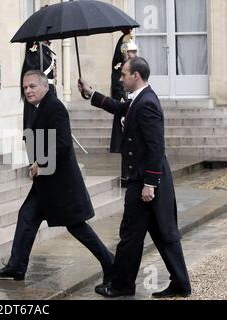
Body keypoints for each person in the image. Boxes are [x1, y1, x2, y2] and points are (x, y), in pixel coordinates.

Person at [78, 57, 191, 298]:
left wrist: (150, 183)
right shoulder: (139, 99)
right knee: (151, 234)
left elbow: (155, 146)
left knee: (138, 235)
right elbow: (120, 108)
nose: (121, 79)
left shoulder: (147, 102)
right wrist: (92, 94)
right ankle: (177, 284)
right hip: (144, 180)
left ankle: (123, 285)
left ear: (136, 76)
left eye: (124, 75)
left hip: (146, 182)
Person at [0, 70, 114, 282]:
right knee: (27, 217)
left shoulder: (54, 107)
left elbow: (63, 145)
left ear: (45, 86)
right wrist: (34, 164)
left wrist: (41, 162)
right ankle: (16, 266)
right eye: (25, 87)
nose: (27, 90)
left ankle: (111, 264)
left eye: (32, 86)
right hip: (46, 182)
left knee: (77, 227)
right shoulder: (37, 107)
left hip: (61, 184)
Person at [110, 29, 138, 154]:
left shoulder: (133, 65)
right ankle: (118, 146)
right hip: (122, 95)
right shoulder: (120, 65)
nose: (134, 54)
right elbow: (117, 82)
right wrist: (122, 96)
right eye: (131, 52)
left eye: (134, 51)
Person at [21, 40, 57, 132]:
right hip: (38, 105)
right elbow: (29, 79)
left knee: (50, 139)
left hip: (49, 99)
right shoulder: (35, 51)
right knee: (39, 141)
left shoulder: (45, 51)